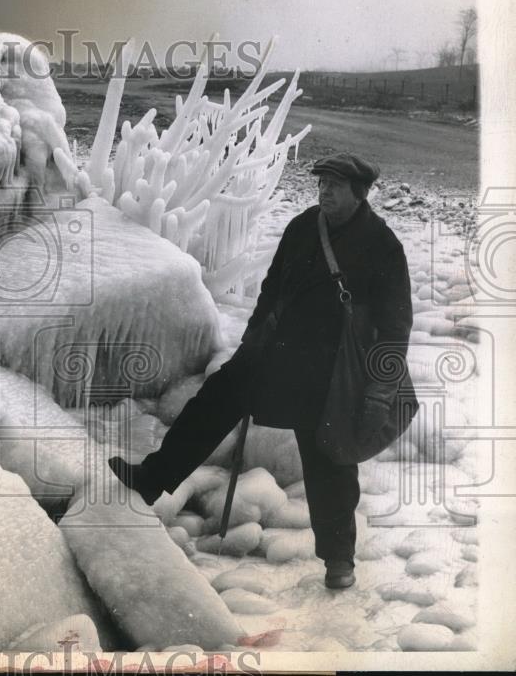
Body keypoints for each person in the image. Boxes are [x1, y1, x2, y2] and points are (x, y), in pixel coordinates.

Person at [108, 152, 412, 590]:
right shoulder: (304, 227)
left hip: (332, 374)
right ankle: (153, 479)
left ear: (359, 193)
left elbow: (395, 327)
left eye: (335, 186)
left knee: (328, 462)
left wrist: (379, 393)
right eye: (321, 183)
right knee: (214, 400)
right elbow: (272, 290)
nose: (324, 191)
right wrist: (252, 344)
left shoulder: (383, 246)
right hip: (277, 357)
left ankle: (339, 561)